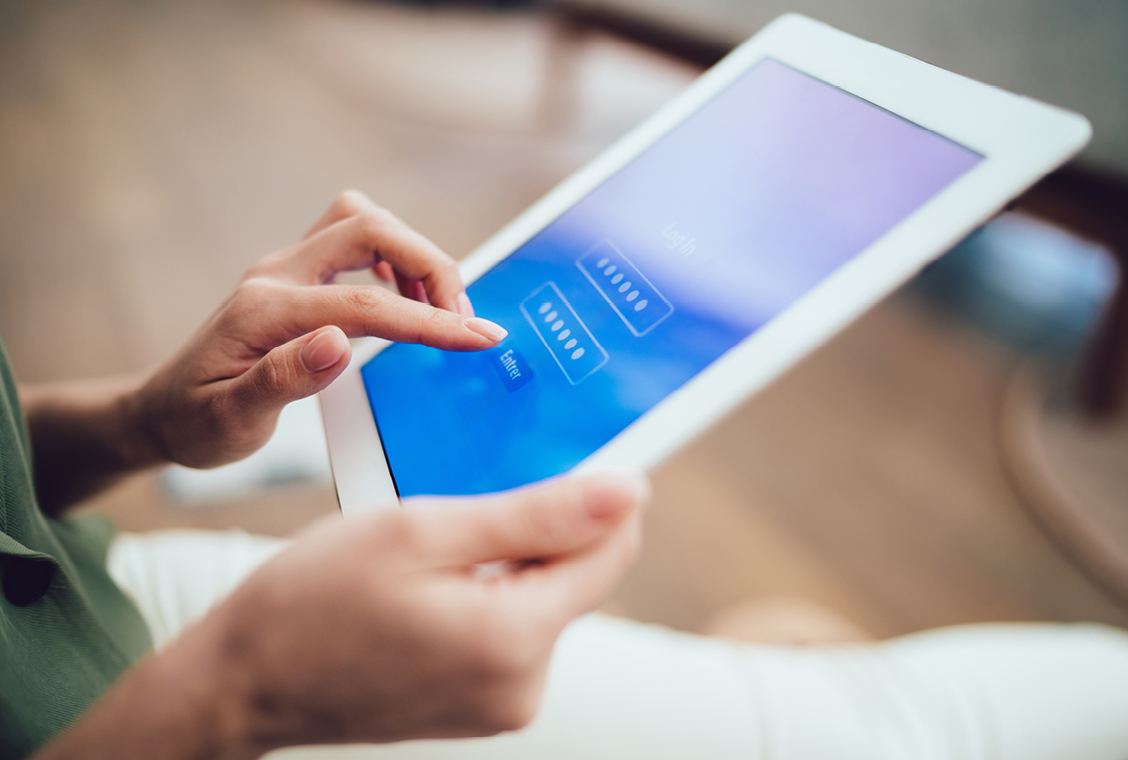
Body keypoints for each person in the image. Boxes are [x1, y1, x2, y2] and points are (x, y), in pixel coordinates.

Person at [3, 191, 1127, 760]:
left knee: (798, 647)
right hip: (146, 716)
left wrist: (134, 423)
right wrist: (234, 694)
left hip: (99, 597)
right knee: (970, 711)